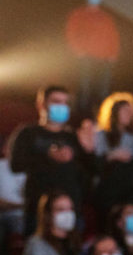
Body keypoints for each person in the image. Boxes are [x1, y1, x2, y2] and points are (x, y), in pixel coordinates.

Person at [8, 85, 90, 235]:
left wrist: (90, 151)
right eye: (56, 101)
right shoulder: (28, 133)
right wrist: (48, 156)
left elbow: (91, 172)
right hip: (39, 209)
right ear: (42, 104)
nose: (62, 106)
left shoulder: (73, 137)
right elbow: (16, 165)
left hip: (70, 208)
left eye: (65, 102)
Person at [93, 93, 133, 220]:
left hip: (130, 191)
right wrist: (112, 155)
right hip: (110, 190)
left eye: (131, 111)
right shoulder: (100, 135)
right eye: (125, 110)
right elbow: (94, 164)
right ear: (114, 112)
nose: (129, 114)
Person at [64, 0, 120, 115]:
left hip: (105, 59)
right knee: (85, 89)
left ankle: (103, 118)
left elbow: (114, 35)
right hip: (86, 58)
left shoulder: (106, 17)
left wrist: (114, 53)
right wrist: (78, 51)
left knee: (104, 91)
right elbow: (71, 33)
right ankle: (82, 117)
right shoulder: (78, 14)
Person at [0, 142, 26, 255]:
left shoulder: (29, 168)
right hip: (3, 215)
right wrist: (20, 205)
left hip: (23, 216)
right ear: (4, 149)